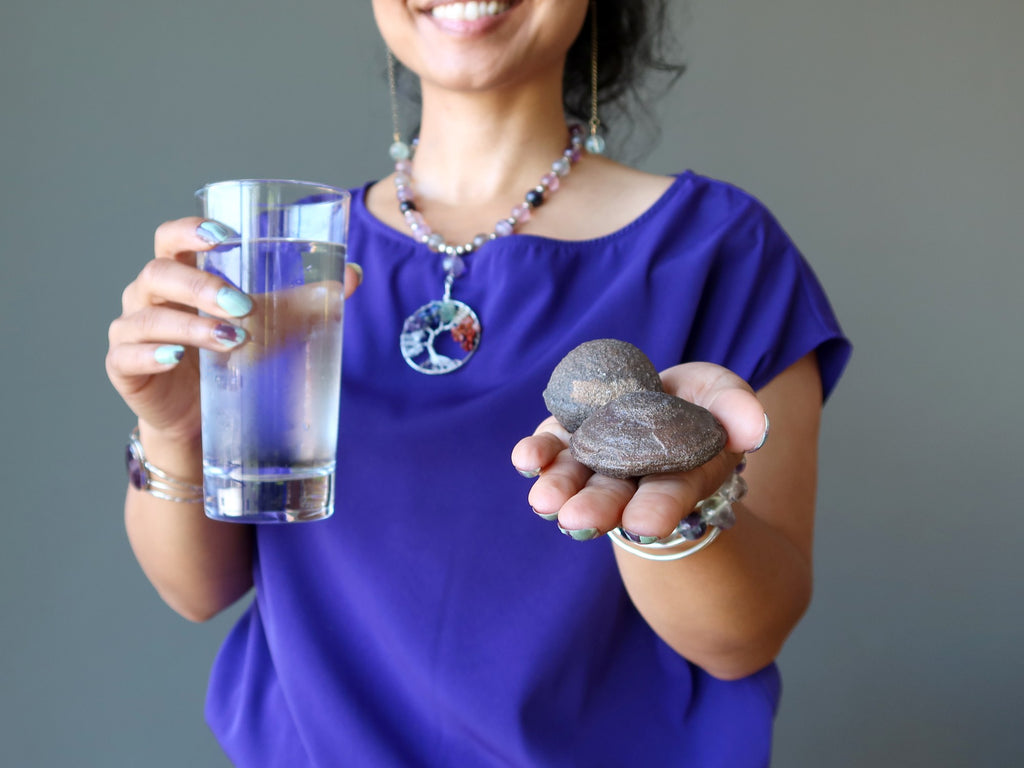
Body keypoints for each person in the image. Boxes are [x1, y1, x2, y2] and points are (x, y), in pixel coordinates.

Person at [106, 1, 851, 765]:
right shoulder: (280, 265)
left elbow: (745, 639)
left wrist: (659, 491)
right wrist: (176, 429)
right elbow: (198, 591)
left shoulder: (721, 250)